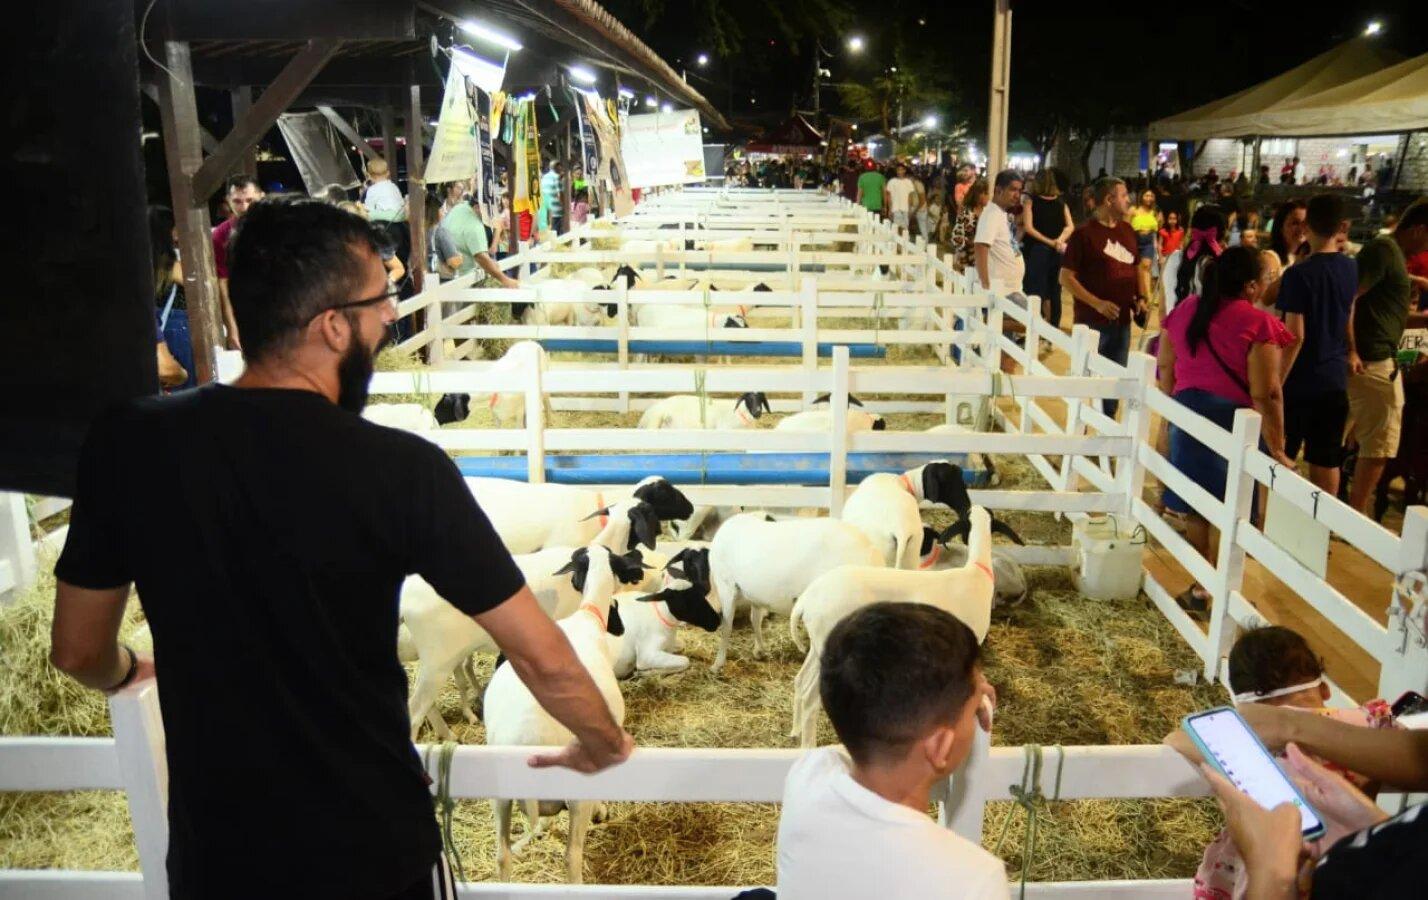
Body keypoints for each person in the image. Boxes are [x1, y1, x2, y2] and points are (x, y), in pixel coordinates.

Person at [48, 197, 632, 899]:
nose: (391, 316)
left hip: (221, 862)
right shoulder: (402, 470)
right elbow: (542, 655)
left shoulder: (130, 444)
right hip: (370, 853)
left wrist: (126, 670)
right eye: (380, 298)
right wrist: (603, 740)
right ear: (332, 326)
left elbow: (77, 651)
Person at [776, 603, 1004, 900]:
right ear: (939, 747)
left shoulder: (808, 778)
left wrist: (967, 689)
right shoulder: (973, 879)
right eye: (974, 710)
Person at [1157, 248, 1294, 617]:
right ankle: (1222, 588)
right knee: (1233, 511)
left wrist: (1166, 415)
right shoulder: (1258, 324)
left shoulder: (1186, 310)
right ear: (1251, 285)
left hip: (1187, 417)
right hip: (1234, 424)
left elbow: (1166, 366)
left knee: (1196, 508)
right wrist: (1278, 447)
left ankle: (1201, 588)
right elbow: (1267, 393)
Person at [1345, 199, 1428, 515]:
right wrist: (1352, 349)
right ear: (1419, 229)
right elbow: (1349, 299)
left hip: (1377, 358)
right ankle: (1356, 515)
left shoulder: (1392, 256)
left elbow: (1390, 316)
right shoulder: (1384, 251)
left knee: (1373, 444)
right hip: (1373, 362)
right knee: (1378, 447)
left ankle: (1353, 512)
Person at [1277, 194, 1357, 498]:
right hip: (1334, 378)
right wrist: (1351, 350)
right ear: (1341, 226)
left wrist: (1277, 382)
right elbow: (1349, 312)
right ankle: (1321, 530)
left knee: (1282, 453)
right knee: (1325, 459)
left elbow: (1295, 335)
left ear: (1308, 225)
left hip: (1300, 379)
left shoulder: (1299, 275)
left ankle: (1272, 525)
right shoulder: (1350, 268)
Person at [1061, 176, 1150, 416]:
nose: (1128, 200)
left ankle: (1105, 439)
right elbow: (1066, 277)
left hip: (1121, 322)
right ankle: (1076, 436)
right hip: (1091, 323)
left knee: (1115, 382)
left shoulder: (1128, 230)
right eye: (1123, 196)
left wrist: (1141, 297)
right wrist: (1097, 303)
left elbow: (1136, 267)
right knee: (1085, 381)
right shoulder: (1083, 234)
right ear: (1109, 200)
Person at [212, 174, 263, 350]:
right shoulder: (220, 234)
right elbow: (222, 283)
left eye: (250, 200)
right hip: (244, 306)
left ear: (261, 196)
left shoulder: (278, 227)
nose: (244, 207)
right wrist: (232, 328)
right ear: (228, 201)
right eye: (238, 201)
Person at [149, 206, 195, 391]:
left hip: (158, 335)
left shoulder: (146, 264)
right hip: (180, 331)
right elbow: (204, 284)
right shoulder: (174, 265)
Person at [1020, 169, 1074, 327]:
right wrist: (1059, 241)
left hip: (1036, 251)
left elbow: (1029, 228)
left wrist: (1049, 242)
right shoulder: (1061, 203)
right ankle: (1053, 325)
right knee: (1054, 290)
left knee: (1036, 290)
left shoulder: (1030, 201)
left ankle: (1037, 326)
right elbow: (1070, 226)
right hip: (1057, 252)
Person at [438, 194, 519, 288]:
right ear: (477, 207)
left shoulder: (461, 206)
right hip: (461, 279)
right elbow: (481, 258)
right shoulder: (475, 227)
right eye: (488, 211)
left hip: (444, 271)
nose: (491, 215)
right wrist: (506, 280)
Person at [1163, 205, 1228, 316]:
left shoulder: (1172, 258)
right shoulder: (1220, 264)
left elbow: (1162, 308)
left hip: (1175, 328)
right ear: (1221, 234)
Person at [973, 169, 1026, 295]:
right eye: (1013, 189)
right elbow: (980, 247)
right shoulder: (992, 215)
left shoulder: (1000, 213)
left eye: (1019, 191)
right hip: (1001, 292)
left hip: (1011, 290)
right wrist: (986, 287)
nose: (1017, 195)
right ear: (998, 190)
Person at [950, 179, 989, 271]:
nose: (989, 197)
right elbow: (959, 236)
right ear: (980, 194)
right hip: (968, 257)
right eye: (987, 194)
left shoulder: (988, 212)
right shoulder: (967, 212)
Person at [1129, 188, 1162, 279]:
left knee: (1146, 267)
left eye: (1151, 196)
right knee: (1134, 268)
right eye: (1147, 196)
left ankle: (1146, 292)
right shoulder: (1133, 210)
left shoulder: (1154, 211)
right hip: (1134, 240)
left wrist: (1159, 221)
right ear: (1141, 197)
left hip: (1148, 242)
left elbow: (1157, 229)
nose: (1149, 198)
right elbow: (1125, 225)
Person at [362, 158, 406, 223]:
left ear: (369, 175)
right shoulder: (393, 185)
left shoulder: (372, 189)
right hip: (401, 215)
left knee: (366, 215)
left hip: (389, 216)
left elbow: (368, 207)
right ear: (388, 173)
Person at [885, 162, 917, 232]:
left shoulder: (909, 182)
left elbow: (910, 196)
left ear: (904, 170)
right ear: (896, 171)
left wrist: (910, 209)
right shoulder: (891, 182)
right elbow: (889, 196)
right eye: (898, 170)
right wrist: (889, 209)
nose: (900, 171)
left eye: (901, 169)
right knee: (897, 230)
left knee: (905, 230)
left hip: (906, 209)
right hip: (895, 209)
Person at [540, 161, 564, 235]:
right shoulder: (557, 177)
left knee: (549, 230)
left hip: (545, 208)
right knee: (556, 232)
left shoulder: (544, 177)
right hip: (556, 209)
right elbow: (560, 194)